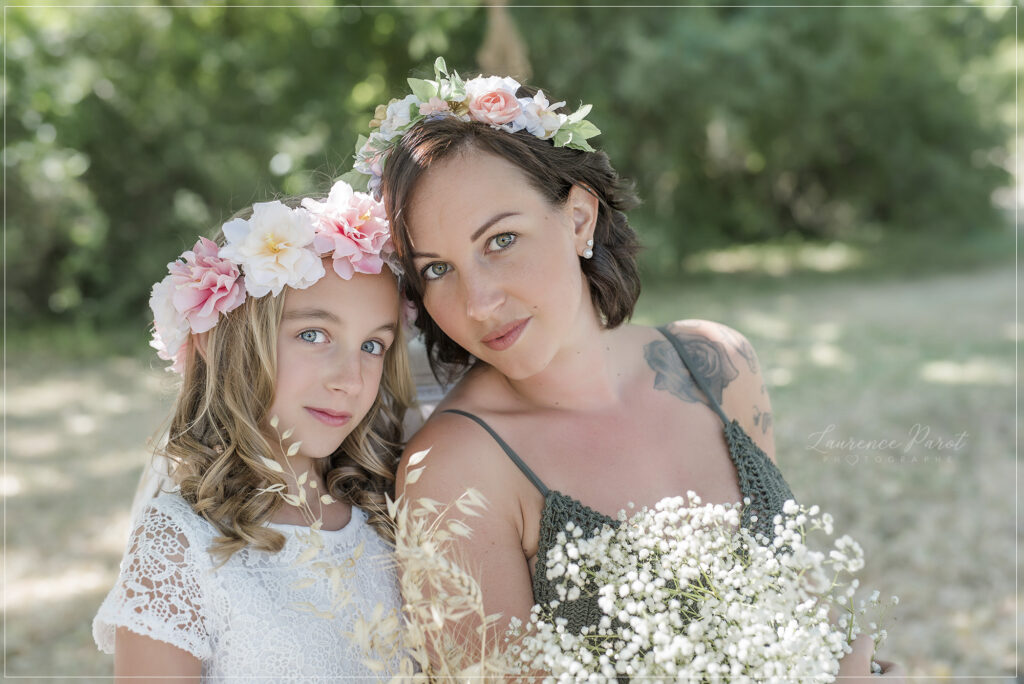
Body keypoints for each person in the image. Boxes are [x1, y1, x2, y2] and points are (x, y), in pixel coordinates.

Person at [350, 59, 902, 678]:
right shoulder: (452, 471)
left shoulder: (717, 365)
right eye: (436, 269)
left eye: (501, 240)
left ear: (579, 217)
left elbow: (790, 599)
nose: (477, 304)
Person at [93, 181, 414, 680]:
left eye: (372, 346)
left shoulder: (390, 516)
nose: (350, 381)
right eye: (313, 334)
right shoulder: (181, 544)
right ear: (226, 341)